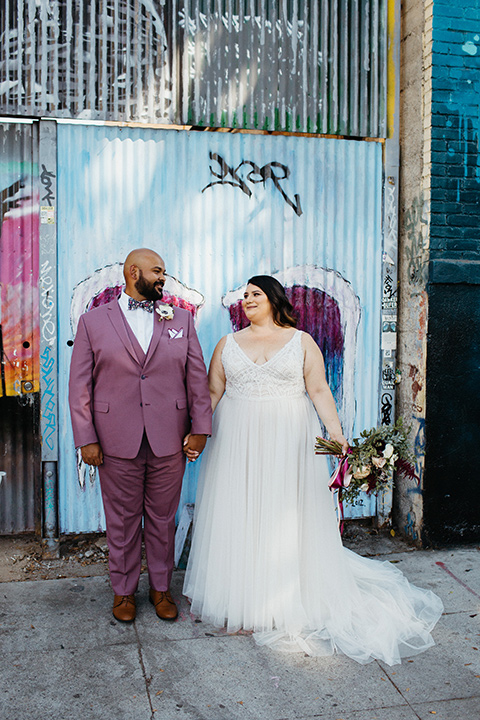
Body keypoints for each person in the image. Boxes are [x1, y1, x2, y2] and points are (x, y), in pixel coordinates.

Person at [183, 275, 443, 665]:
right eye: (244, 296)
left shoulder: (301, 341)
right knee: (241, 510)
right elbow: (212, 393)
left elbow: (319, 389)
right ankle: (244, 597)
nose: (248, 300)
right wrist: (196, 432)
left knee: (284, 513)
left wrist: (337, 435)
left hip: (289, 438)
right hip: (236, 441)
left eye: (255, 294)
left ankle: (285, 596)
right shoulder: (227, 344)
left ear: (273, 299)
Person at [69, 248, 212, 623]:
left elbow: (196, 378)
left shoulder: (181, 319)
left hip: (170, 440)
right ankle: (123, 592)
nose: (163, 278)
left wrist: (200, 429)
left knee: (164, 520)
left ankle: (161, 588)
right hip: (115, 441)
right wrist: (86, 438)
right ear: (133, 272)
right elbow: (80, 386)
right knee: (122, 520)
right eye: (157, 271)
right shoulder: (92, 322)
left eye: (164, 272)